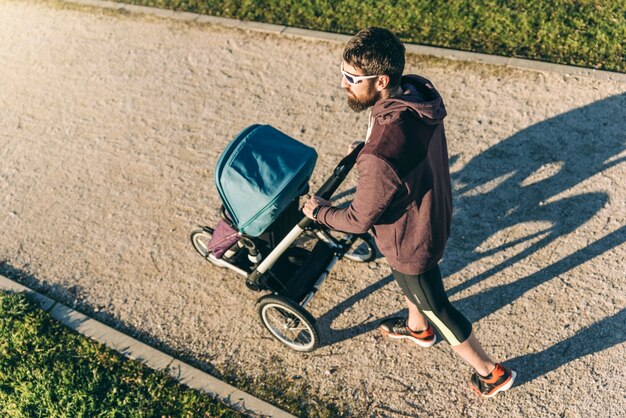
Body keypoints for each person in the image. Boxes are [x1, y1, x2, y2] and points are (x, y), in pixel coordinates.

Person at [302, 27, 516, 398]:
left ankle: (490, 372)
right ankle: (418, 330)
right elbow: (395, 146)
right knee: (410, 288)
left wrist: (320, 211)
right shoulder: (416, 94)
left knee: (436, 306)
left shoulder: (380, 157)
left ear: (381, 80)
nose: (343, 84)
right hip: (431, 210)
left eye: (352, 79)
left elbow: (356, 220)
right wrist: (368, 147)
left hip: (410, 240)